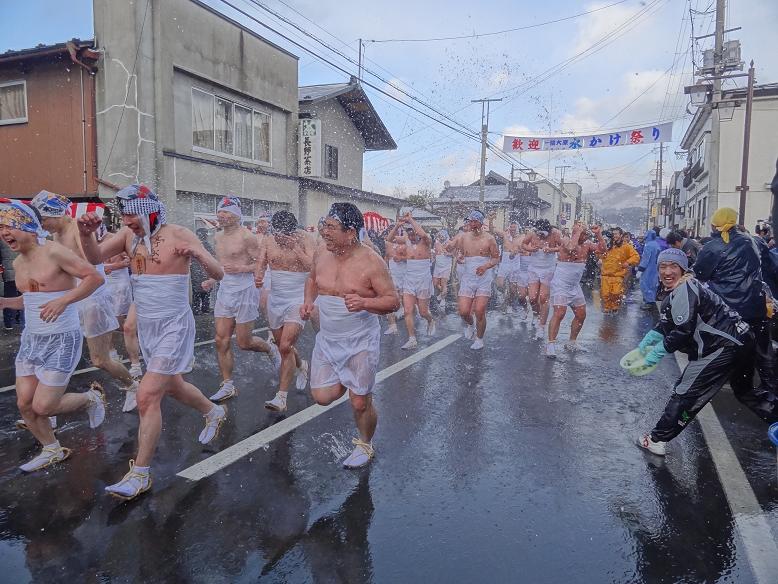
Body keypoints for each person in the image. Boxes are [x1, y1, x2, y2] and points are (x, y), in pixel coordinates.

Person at [78, 184, 227, 500]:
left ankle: (140, 474)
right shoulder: (128, 237)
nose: (128, 222)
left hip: (174, 324)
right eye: (124, 216)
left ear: (151, 210)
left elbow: (220, 274)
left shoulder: (180, 233)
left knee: (147, 394)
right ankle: (212, 411)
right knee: (172, 385)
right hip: (148, 325)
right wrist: (86, 234)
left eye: (132, 215)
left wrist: (200, 253)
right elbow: (93, 257)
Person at [0, 199, 106, 472]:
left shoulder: (55, 252)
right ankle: (52, 449)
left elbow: (94, 277)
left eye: (9, 225)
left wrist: (64, 301)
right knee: (25, 404)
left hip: (62, 339)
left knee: (44, 406)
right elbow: (31, 300)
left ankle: (91, 398)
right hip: (32, 339)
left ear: (29, 226)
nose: (4, 232)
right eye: (1, 227)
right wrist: (4, 302)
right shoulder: (18, 262)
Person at [300, 202, 399, 468]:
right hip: (328, 340)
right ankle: (352, 383)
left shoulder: (371, 262)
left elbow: (392, 301)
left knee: (358, 403)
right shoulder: (321, 253)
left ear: (351, 232)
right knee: (322, 397)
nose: (324, 232)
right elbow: (311, 279)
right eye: (324, 226)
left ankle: (365, 445)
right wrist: (309, 302)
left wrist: (365, 303)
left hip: (360, 341)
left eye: (331, 227)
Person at [636, 249, 755, 455]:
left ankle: (656, 439)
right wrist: (650, 339)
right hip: (740, 341)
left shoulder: (685, 289)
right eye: (663, 266)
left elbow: (683, 330)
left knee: (683, 391)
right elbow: (670, 322)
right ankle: (773, 417)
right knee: (744, 392)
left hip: (721, 347)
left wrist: (656, 352)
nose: (667, 271)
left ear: (683, 269)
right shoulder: (687, 286)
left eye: (673, 266)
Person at [30, 191, 138, 410]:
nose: (42, 225)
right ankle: (48, 407)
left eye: (43, 220)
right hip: (71, 300)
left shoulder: (77, 232)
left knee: (100, 359)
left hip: (92, 301)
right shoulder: (55, 234)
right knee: (58, 354)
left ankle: (133, 387)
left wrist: (66, 298)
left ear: (55, 213)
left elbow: (95, 272)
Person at [693, 207, 778, 418]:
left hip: (728, 312)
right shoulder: (755, 241)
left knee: (723, 352)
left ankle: (700, 392)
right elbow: (769, 266)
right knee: (763, 350)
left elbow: (701, 274)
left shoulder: (712, 247)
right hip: (757, 307)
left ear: (714, 224)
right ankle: (772, 391)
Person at [203, 197, 279, 403]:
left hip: (245, 289)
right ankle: (228, 385)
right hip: (226, 288)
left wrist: (241, 269)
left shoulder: (247, 237)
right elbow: (222, 263)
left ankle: (270, 348)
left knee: (244, 342)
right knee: (221, 339)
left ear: (237, 215)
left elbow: (262, 264)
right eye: (220, 211)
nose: (222, 215)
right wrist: (212, 279)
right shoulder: (217, 237)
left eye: (227, 212)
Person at [258, 210, 315, 412]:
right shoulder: (268, 239)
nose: (280, 238)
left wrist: (296, 248)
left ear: (293, 230)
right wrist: (258, 276)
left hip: (297, 298)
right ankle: (302, 366)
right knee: (285, 346)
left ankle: (281, 398)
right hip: (276, 299)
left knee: (284, 347)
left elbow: (314, 267)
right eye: (277, 234)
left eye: (285, 234)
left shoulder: (306, 238)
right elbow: (262, 262)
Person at [546, 223, 605, 358]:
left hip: (574, 286)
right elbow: (571, 248)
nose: (586, 237)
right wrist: (578, 232)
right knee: (559, 313)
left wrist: (598, 234)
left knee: (581, 314)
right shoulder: (566, 240)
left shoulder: (587, 243)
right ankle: (550, 344)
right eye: (585, 234)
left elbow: (602, 249)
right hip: (561, 284)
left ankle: (572, 342)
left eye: (587, 235)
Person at [445, 210, 500, 350]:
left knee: (480, 310)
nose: (472, 224)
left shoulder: (489, 239)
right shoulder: (463, 237)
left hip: (484, 278)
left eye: (475, 222)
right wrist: (455, 253)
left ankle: (479, 339)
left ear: (481, 223)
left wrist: (486, 266)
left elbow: (496, 258)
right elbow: (451, 248)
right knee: (463, 311)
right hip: (468, 277)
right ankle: (470, 324)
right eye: (470, 221)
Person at [386, 212, 435, 350]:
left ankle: (430, 320)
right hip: (409, 280)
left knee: (423, 312)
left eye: (414, 234)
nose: (412, 237)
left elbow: (423, 234)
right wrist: (397, 225)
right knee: (408, 310)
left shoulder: (426, 241)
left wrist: (410, 220)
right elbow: (389, 240)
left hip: (423, 280)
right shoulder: (406, 241)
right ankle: (412, 339)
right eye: (410, 234)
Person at [103, 229, 143, 383]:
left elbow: (128, 262)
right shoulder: (97, 242)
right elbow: (94, 262)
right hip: (106, 285)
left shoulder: (120, 239)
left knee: (123, 324)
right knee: (113, 321)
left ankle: (139, 355)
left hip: (122, 285)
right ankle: (118, 355)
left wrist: (112, 266)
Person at [522, 219, 561, 340]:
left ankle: (541, 327)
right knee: (533, 298)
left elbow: (562, 247)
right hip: (534, 268)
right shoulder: (532, 233)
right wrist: (531, 249)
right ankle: (535, 314)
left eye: (543, 234)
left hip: (548, 269)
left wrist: (551, 250)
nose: (541, 236)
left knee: (544, 298)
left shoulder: (555, 233)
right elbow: (523, 244)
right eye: (539, 233)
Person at [599, 227, 640, 314]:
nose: (614, 235)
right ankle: (607, 308)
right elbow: (599, 254)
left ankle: (615, 307)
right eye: (613, 234)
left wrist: (628, 263)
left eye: (616, 234)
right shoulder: (607, 245)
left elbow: (636, 257)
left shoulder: (626, 246)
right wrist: (600, 257)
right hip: (605, 274)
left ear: (621, 235)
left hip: (618, 275)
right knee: (605, 293)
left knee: (616, 293)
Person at [489, 218, 524, 313]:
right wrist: (490, 220)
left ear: (518, 229)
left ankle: (509, 304)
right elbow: (492, 230)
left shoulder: (522, 237)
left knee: (513, 290)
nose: (512, 229)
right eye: (511, 227)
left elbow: (527, 248)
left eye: (514, 228)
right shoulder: (505, 235)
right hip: (505, 263)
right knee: (499, 284)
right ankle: (504, 293)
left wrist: (518, 251)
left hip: (515, 264)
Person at [383, 224, 407, 335]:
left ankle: (405, 311)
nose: (395, 236)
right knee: (391, 298)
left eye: (397, 233)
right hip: (392, 274)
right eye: (394, 233)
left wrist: (401, 258)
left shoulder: (406, 244)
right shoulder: (388, 244)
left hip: (404, 274)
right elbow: (386, 257)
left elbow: (413, 258)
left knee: (402, 296)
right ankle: (392, 325)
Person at [1, 238, 23, 330]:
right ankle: (15, 319)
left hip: (9, 271)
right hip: (21, 271)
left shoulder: (3, 236)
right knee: (19, 294)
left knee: (10, 295)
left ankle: (9, 322)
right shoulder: (21, 233)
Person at [191, 228, 214, 314]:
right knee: (205, 290)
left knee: (197, 291)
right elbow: (212, 256)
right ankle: (204, 308)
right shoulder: (205, 244)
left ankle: (197, 308)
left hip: (197, 270)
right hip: (203, 270)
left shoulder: (194, 244)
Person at [637, 230, 661, 309]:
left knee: (645, 284)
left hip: (648, 269)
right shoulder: (656, 244)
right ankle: (651, 300)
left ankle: (649, 302)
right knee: (653, 285)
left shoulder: (648, 245)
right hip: (655, 268)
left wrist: (640, 269)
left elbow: (646, 259)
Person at [432, 230, 453, 307]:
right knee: (435, 283)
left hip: (446, 265)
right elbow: (435, 252)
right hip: (438, 265)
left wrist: (448, 253)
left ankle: (442, 299)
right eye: (439, 235)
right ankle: (441, 294)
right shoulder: (436, 243)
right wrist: (433, 256)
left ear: (445, 236)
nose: (441, 237)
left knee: (444, 284)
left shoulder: (449, 243)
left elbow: (454, 253)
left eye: (442, 236)